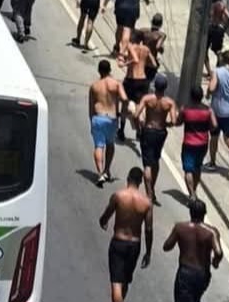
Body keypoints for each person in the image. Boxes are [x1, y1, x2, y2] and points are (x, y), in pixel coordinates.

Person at [99, 167, 153, 302]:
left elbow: (106, 215)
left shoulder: (119, 196)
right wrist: (148, 252)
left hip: (119, 242)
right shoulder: (147, 203)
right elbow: (149, 229)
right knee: (125, 281)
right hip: (135, 245)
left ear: (128, 178)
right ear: (140, 182)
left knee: (116, 283)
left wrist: (103, 222)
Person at [163, 199, 222, 302]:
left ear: (190, 212)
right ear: (204, 214)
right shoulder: (212, 232)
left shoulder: (180, 227)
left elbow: (166, 247)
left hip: (185, 272)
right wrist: (215, 262)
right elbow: (218, 252)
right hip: (202, 273)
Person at [135, 73, 176, 205]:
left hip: (148, 130)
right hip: (160, 132)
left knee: (147, 164)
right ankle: (152, 187)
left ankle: (149, 194)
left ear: (155, 86)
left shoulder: (147, 99)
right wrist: (166, 124)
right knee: (156, 160)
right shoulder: (169, 102)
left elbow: (136, 114)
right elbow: (174, 121)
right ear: (165, 88)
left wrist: (139, 126)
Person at [89, 59, 125, 187]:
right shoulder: (116, 84)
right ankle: (107, 170)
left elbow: (91, 107)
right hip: (112, 119)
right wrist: (123, 112)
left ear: (99, 70)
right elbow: (124, 98)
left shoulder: (94, 86)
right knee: (110, 144)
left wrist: (91, 121)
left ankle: (100, 174)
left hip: (98, 118)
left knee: (99, 146)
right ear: (110, 70)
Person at [177, 87, 216, 202]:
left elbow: (178, 122)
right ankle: (194, 190)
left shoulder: (185, 109)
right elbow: (214, 125)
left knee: (188, 169)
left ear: (191, 97)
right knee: (197, 167)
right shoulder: (208, 110)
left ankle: (192, 194)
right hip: (203, 143)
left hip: (189, 143)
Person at [119, 30, 156, 141]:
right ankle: (140, 131)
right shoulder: (146, 49)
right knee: (140, 106)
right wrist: (143, 63)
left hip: (131, 80)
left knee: (125, 105)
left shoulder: (130, 46)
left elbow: (132, 59)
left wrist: (125, 63)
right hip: (143, 80)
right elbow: (154, 64)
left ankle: (121, 130)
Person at [204, 0, 229, 77]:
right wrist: (224, 28)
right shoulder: (222, 5)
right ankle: (218, 70)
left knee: (204, 50)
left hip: (211, 28)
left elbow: (210, 15)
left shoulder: (212, 5)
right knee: (218, 51)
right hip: (219, 29)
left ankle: (209, 71)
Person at [135, 14, 166, 82]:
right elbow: (158, 47)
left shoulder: (143, 30)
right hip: (151, 62)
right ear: (161, 24)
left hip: (142, 59)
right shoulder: (161, 35)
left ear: (151, 21)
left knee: (139, 79)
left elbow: (136, 42)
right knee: (148, 81)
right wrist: (162, 50)